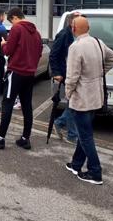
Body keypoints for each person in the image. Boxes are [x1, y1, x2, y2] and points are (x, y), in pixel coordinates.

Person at [64, 16, 113, 185]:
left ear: (73, 29)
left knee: (86, 136)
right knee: (84, 132)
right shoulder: (97, 42)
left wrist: (68, 93)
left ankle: (95, 172)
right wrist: (100, 74)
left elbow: (72, 76)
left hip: (81, 97)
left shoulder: (76, 47)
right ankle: (76, 164)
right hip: (96, 95)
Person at [0, 8, 42, 150]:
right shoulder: (37, 33)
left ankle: (0, 138)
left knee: (7, 103)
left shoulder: (17, 29)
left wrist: (3, 45)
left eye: (11, 20)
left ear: (15, 17)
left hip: (16, 72)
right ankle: (25, 138)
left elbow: (8, 50)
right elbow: (39, 52)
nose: (11, 23)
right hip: (30, 73)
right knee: (27, 105)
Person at [50, 12, 82, 143]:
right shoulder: (64, 35)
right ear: (71, 23)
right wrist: (57, 73)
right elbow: (54, 55)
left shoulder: (77, 35)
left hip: (75, 73)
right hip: (66, 73)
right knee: (73, 102)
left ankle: (60, 122)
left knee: (73, 102)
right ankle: (72, 134)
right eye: (78, 21)